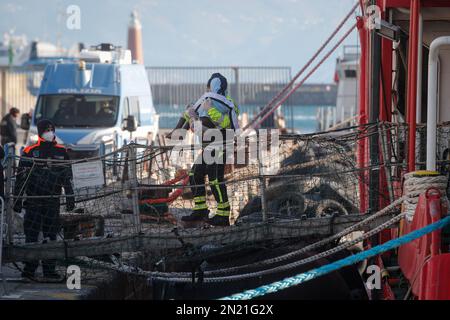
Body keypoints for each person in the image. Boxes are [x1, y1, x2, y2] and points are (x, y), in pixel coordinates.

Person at [169, 73, 239, 226]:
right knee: (195, 174)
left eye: (209, 87)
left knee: (215, 179)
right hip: (208, 147)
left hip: (221, 145)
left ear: (214, 87)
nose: (207, 90)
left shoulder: (227, 104)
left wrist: (210, 110)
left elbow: (227, 124)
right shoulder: (206, 101)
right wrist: (180, 130)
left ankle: (223, 214)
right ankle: (200, 210)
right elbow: (192, 116)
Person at [13, 119, 75, 279]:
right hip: (33, 201)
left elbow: (67, 178)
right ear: (40, 132)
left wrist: (70, 197)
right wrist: (17, 200)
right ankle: (29, 270)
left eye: (51, 129)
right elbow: (20, 178)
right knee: (31, 236)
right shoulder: (29, 151)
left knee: (51, 236)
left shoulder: (62, 152)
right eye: (46, 129)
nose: (50, 132)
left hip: (52, 202)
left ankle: (49, 270)